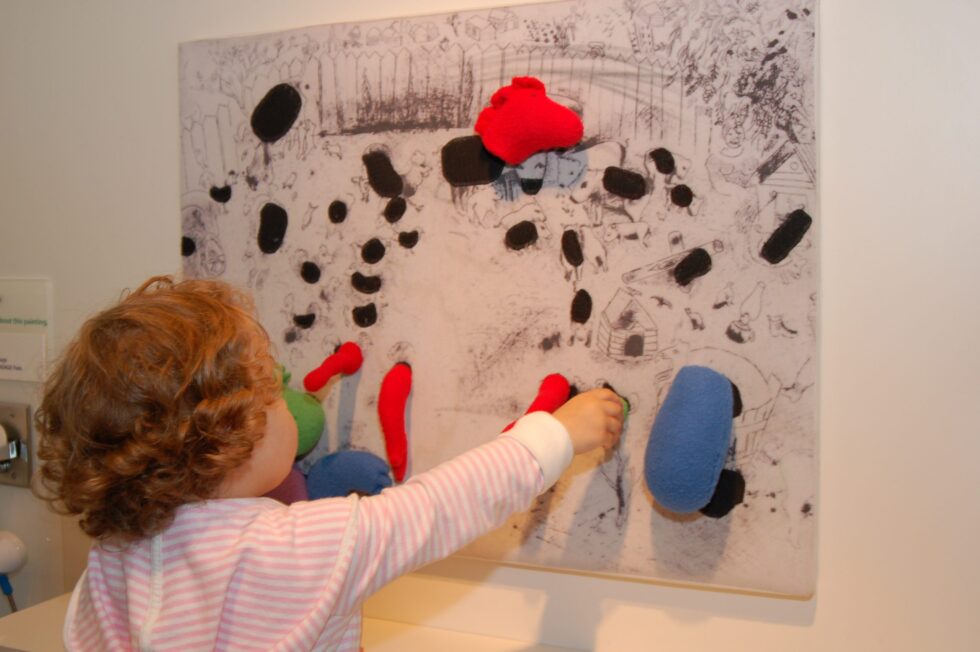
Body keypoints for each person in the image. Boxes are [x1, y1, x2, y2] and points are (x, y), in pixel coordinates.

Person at [34, 276, 624, 651]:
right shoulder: (299, 546)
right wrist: (557, 433)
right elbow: (445, 504)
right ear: (228, 441)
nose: (288, 394)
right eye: (272, 387)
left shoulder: (115, 558)